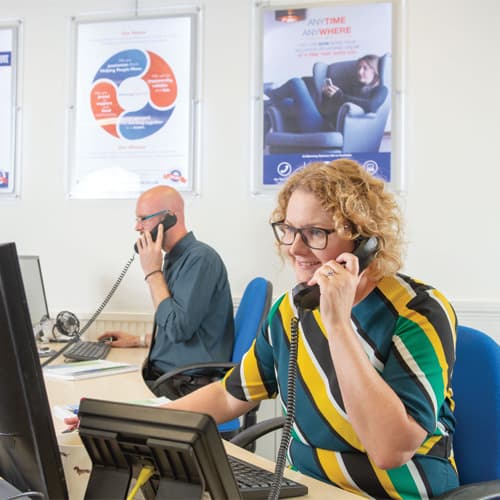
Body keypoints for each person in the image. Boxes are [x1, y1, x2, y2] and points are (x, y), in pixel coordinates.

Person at [162, 159, 459, 498]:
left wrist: (337, 324)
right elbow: (230, 395)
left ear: (362, 239)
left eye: (315, 233)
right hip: (308, 489)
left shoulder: (417, 312)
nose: (294, 248)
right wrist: (138, 419)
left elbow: (390, 449)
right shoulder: (292, 309)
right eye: (289, 229)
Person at [98, 185, 235, 398]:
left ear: (169, 218)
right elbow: (186, 326)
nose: (137, 227)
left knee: (103, 400)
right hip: (169, 378)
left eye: (143, 219)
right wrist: (139, 340)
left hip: (184, 387)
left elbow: (178, 329)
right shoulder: (174, 259)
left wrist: (152, 273)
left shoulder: (199, 259)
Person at [265, 54, 388, 133]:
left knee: (296, 82)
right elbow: (326, 112)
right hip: (321, 122)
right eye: (359, 68)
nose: (360, 72)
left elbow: (371, 106)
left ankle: (269, 93)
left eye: (365, 68)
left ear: (375, 71)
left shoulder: (381, 90)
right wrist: (327, 97)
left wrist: (339, 96)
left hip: (324, 129)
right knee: (278, 104)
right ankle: (268, 101)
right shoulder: (353, 89)